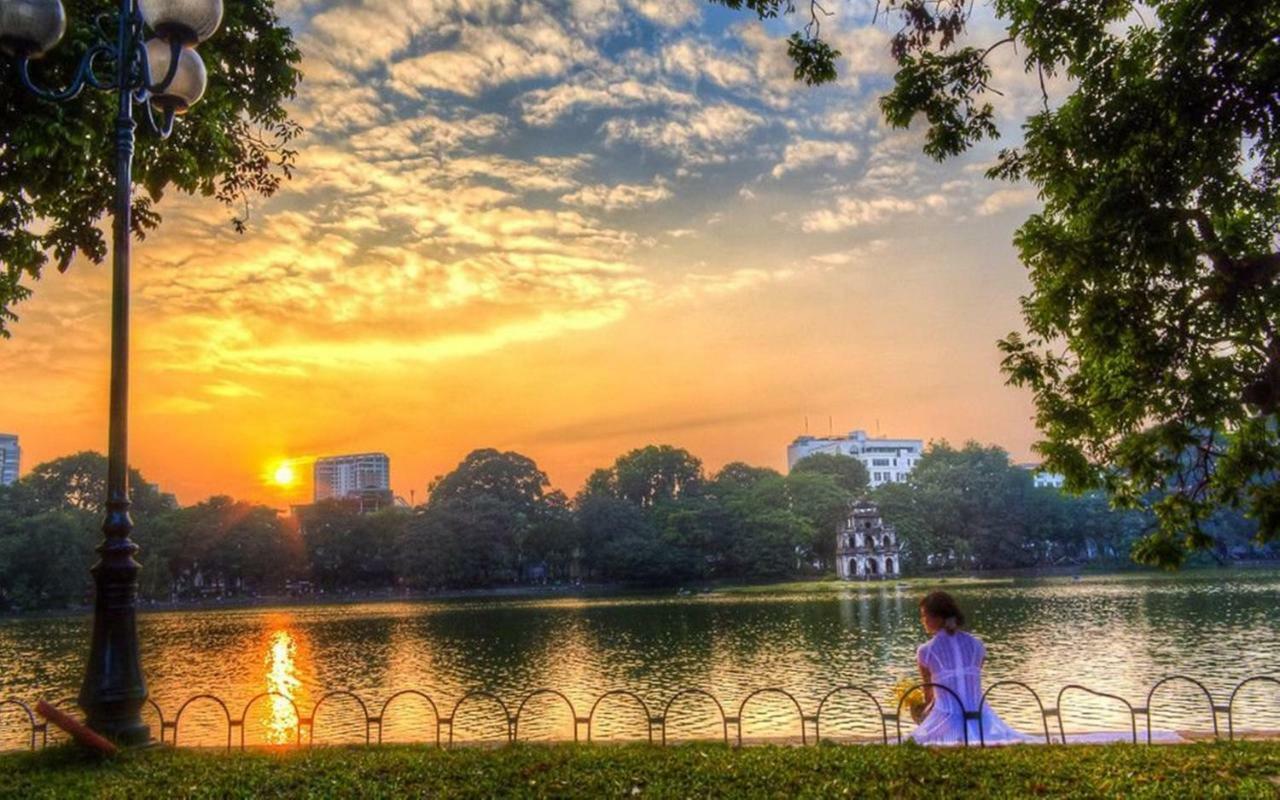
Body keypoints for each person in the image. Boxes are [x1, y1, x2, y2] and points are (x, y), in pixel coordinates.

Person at [909, 591, 1033, 745]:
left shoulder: (925, 652)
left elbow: (929, 695)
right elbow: (970, 681)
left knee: (914, 741)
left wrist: (920, 712)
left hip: (946, 718)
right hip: (981, 717)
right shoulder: (977, 645)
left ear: (938, 618)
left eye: (924, 615)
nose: (923, 620)